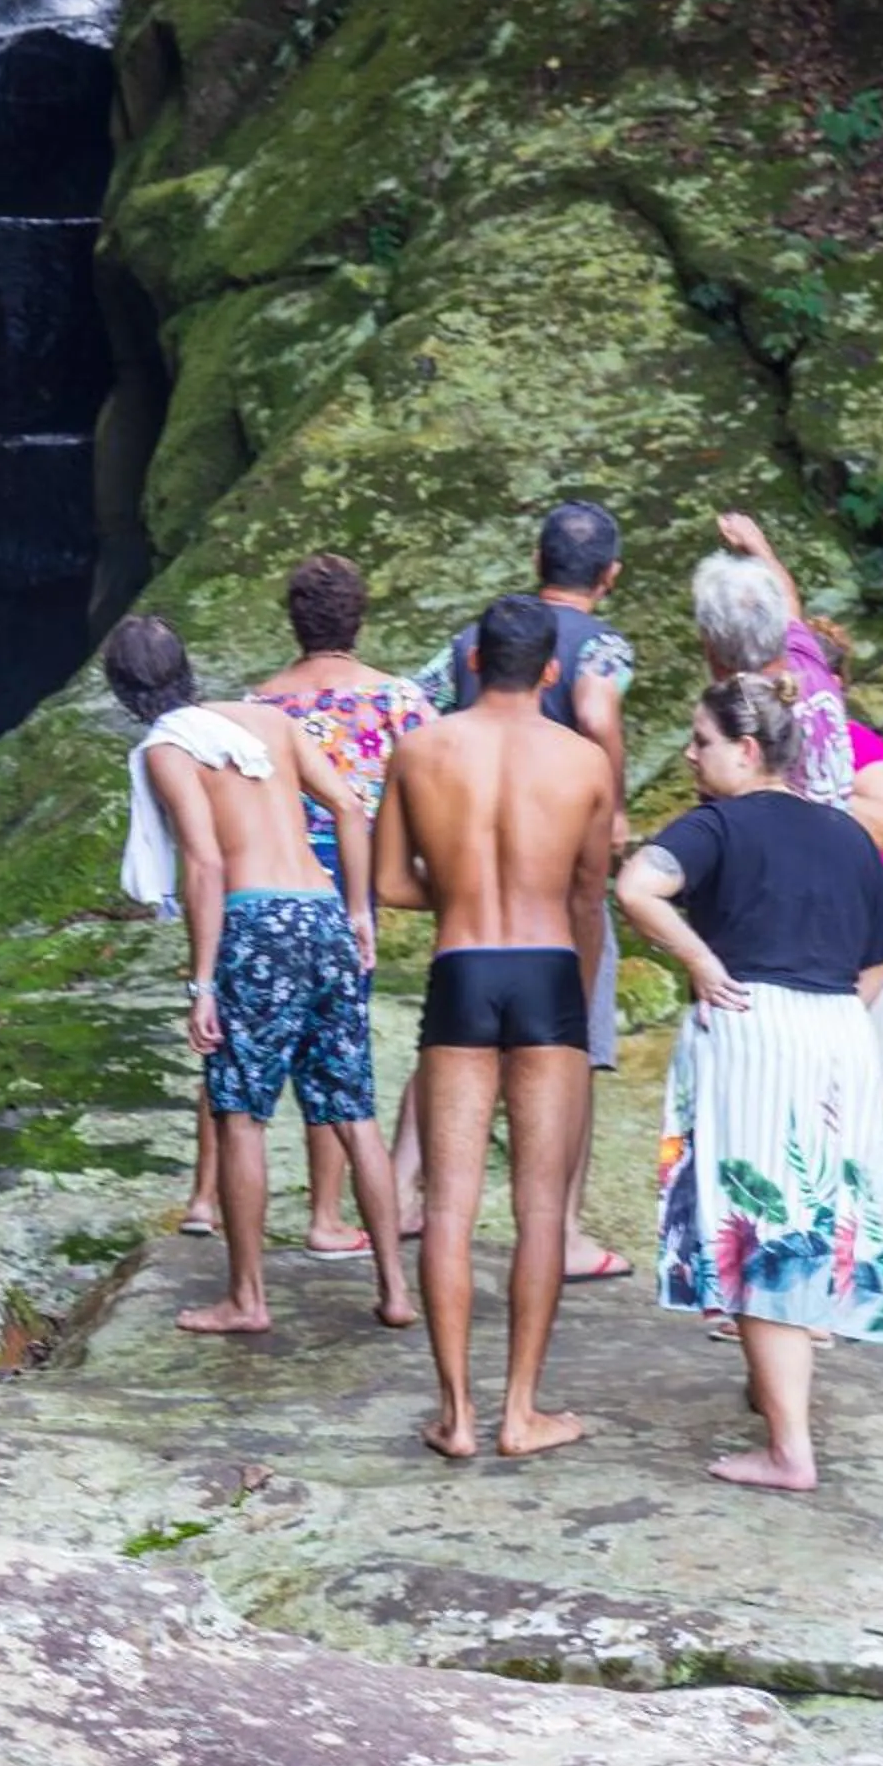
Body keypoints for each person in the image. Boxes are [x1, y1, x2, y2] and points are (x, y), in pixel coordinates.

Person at [615, 675, 883, 1492]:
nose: (689, 752)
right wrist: (838, 1018)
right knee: (813, 1214)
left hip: (754, 1026)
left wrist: (702, 961)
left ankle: (788, 1450)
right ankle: (775, 1399)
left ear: (745, 750)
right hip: (838, 1029)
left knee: (762, 1224)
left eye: (700, 739)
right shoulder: (849, 833)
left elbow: (637, 885)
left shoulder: (717, 824)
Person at [106, 614, 416, 1335]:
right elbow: (346, 805)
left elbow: (206, 863)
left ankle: (247, 1298)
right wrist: (359, 913)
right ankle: (396, 1291)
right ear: (185, 667)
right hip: (322, 912)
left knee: (241, 1114)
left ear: (123, 690)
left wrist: (202, 982)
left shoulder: (167, 750)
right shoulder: (265, 721)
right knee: (352, 1109)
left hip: (256, 924)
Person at [375, 595, 616, 1459]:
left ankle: (457, 1418)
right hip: (548, 972)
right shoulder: (584, 761)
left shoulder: (420, 749)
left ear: (474, 661)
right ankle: (521, 1412)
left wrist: (465, 893)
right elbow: (590, 892)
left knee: (449, 1205)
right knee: (541, 1208)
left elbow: (393, 885)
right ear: (552, 670)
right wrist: (579, 997)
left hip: (460, 970)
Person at [407, 501, 633, 1283]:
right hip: (553, 884)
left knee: (446, 1055)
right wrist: (616, 801)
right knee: (577, 1054)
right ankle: (566, 1228)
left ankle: (408, 1187)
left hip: (469, 896)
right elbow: (600, 709)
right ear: (610, 576)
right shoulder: (600, 647)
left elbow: (413, 701)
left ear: (537, 561)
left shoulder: (476, 639)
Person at [234, 554, 437, 1259]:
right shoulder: (400, 702)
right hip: (353, 896)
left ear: (293, 620)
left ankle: (223, 1210)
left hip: (270, 891)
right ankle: (326, 1216)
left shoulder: (258, 707)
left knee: (250, 1058)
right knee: (335, 1056)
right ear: (360, 618)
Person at [809, 617, 883, 1074]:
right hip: (786, 940)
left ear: (833, 684)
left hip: (864, 944)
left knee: (858, 1087)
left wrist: (817, 792)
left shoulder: (860, 745)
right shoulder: (758, 746)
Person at [692, 513, 854, 808]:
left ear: (712, 651)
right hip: (840, 828)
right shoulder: (806, 660)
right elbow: (789, 602)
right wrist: (757, 545)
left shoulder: (740, 720)